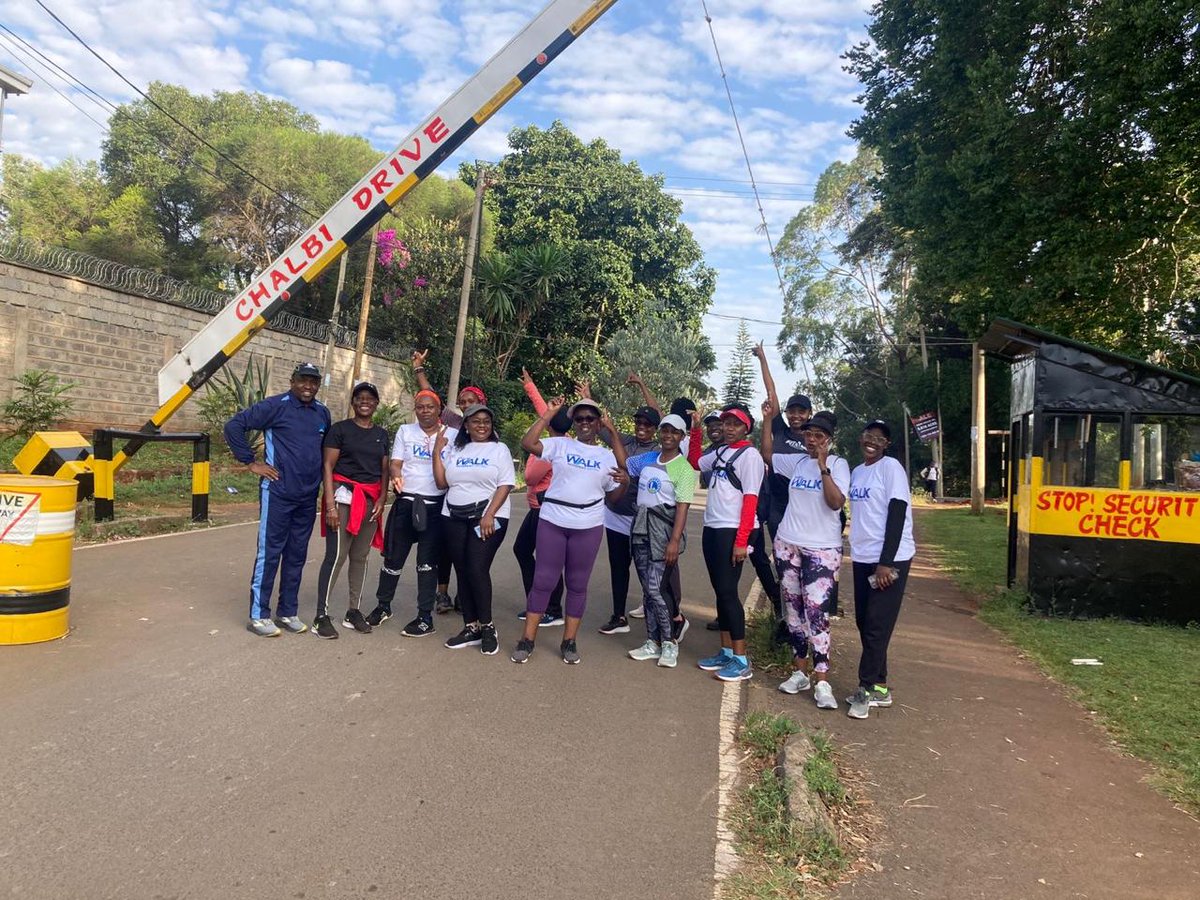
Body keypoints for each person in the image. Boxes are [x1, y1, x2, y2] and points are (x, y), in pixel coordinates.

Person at [512, 396, 628, 665]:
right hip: (553, 520)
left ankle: (569, 641)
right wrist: (547, 416)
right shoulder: (560, 444)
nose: (585, 423)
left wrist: (624, 479)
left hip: (587, 526)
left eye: (590, 418)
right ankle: (527, 639)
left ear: (598, 423)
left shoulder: (605, 455)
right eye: (579, 419)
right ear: (573, 423)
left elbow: (615, 497)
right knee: (543, 580)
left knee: (577, 585)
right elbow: (527, 443)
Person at [225, 362, 331, 637]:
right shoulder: (276, 406)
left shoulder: (322, 413)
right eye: (303, 380)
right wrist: (251, 462)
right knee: (270, 552)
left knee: (297, 555)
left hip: (307, 497)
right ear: (292, 380)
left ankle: (287, 611)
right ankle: (259, 615)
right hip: (278, 494)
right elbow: (234, 426)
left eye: (313, 382)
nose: (308, 386)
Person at [761, 405, 849, 709]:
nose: (813, 440)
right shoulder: (796, 463)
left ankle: (822, 678)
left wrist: (823, 466)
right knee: (794, 611)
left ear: (829, 439)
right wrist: (766, 420)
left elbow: (836, 502)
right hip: (788, 543)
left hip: (822, 549)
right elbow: (768, 454)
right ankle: (800, 671)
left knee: (817, 613)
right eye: (810, 434)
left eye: (819, 435)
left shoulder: (839, 465)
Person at [365, 388, 456, 637]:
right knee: (392, 559)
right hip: (406, 502)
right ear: (415, 410)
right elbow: (396, 463)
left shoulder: (453, 435)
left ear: (439, 410)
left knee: (427, 565)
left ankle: (425, 617)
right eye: (420, 407)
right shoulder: (406, 431)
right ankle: (383, 606)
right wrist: (396, 476)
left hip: (436, 506)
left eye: (430, 407)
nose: (424, 411)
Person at [846, 420, 916, 720]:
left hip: (891, 558)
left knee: (876, 622)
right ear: (861, 439)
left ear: (887, 444)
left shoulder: (891, 468)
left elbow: (898, 512)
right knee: (866, 621)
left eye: (879, 438)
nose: (872, 441)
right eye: (868, 436)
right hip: (863, 556)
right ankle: (881, 686)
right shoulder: (858, 471)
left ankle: (864, 688)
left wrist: (886, 561)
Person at [432, 404, 515, 655]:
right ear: (465, 425)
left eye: (486, 422)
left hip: (489, 517)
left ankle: (488, 626)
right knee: (462, 570)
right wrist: (437, 452)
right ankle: (471, 627)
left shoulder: (499, 449)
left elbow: (506, 484)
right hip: (453, 516)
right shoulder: (456, 449)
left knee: (477, 568)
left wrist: (489, 514)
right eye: (476, 421)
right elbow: (441, 482)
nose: (481, 425)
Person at [410, 348, 485, 613]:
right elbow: (431, 396)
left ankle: (464, 594)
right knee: (446, 547)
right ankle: (441, 595)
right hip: (448, 495)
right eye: (463, 401)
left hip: (476, 501)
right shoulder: (453, 422)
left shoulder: (487, 430)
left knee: (468, 551)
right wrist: (419, 369)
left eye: (470, 400)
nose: (465, 405)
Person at [312, 382, 389, 639]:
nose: (364, 402)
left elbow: (385, 469)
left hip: (369, 499)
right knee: (336, 555)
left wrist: (381, 499)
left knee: (361, 556)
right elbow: (327, 466)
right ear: (353, 402)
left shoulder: (381, 434)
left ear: (376, 404)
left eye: (370, 398)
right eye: (359, 398)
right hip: (343, 498)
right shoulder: (340, 430)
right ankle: (320, 616)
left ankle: (353, 610)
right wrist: (330, 505)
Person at [696, 404, 766, 682]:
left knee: (728, 592)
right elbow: (693, 462)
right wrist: (694, 430)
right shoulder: (721, 452)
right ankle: (725, 651)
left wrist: (741, 541)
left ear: (746, 428)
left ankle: (740, 658)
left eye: (735, 424)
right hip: (713, 527)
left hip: (732, 530)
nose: (728, 428)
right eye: (725, 423)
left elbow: (751, 500)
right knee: (720, 592)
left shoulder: (750, 456)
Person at [625, 414, 696, 668]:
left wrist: (674, 541)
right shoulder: (648, 460)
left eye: (674, 432)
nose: (668, 436)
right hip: (640, 530)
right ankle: (651, 642)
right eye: (665, 431)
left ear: (681, 437)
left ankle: (669, 643)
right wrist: (611, 431)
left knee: (656, 590)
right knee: (647, 590)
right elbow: (624, 465)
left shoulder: (684, 469)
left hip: (662, 534)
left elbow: (682, 508)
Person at [596, 374, 661, 636]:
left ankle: (658, 617)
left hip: (642, 519)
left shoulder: (658, 451)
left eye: (647, 424)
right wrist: (588, 396)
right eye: (638, 422)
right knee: (618, 567)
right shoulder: (625, 440)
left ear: (655, 428)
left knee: (646, 572)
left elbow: (627, 468)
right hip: (615, 515)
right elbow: (600, 426)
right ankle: (618, 616)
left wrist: (644, 385)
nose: (641, 426)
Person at [513, 367, 567, 627]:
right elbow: (542, 411)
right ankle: (538, 603)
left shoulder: (553, 448)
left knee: (545, 558)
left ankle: (551, 609)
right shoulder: (557, 438)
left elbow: (531, 476)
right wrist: (530, 386)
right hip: (538, 506)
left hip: (544, 508)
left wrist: (533, 455)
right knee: (525, 551)